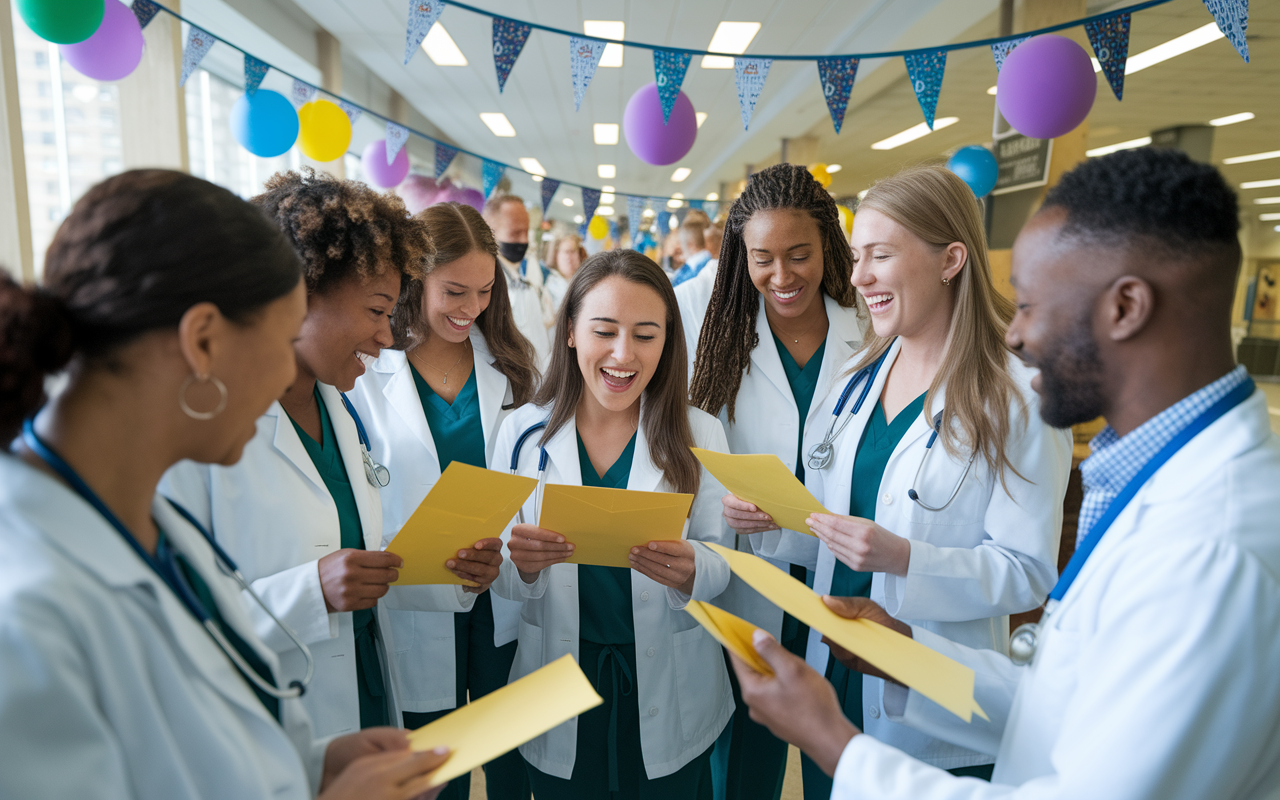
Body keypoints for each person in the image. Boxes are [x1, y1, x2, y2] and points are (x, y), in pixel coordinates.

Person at [732, 147, 1280, 799]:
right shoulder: (1155, 482)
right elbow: (1060, 698)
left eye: (1031, 302)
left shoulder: (1209, 549)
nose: (1016, 333)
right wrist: (904, 656)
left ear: (1126, 307)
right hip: (884, 674)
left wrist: (836, 745)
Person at [0, 169, 449, 798]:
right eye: (279, 336)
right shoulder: (24, 608)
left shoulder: (155, 527)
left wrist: (309, 764)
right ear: (204, 341)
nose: (281, 377)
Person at [723, 165, 1072, 793]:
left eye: (879, 255)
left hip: (935, 691)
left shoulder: (1019, 398)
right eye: (856, 257)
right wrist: (780, 523)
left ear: (951, 260)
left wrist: (908, 558)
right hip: (841, 672)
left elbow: (1029, 572)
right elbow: (840, 533)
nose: (857, 278)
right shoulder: (857, 381)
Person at [162, 171, 502, 740]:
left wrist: (452, 574)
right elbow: (169, 624)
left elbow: (363, 563)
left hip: (368, 690)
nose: (386, 337)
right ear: (299, 295)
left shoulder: (336, 409)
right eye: (375, 312)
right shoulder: (199, 437)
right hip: (277, 721)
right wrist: (309, 593)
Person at [493, 250, 735, 799]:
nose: (624, 355)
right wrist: (521, 567)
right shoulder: (522, 435)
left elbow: (724, 563)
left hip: (671, 680)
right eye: (604, 331)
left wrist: (692, 569)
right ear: (572, 331)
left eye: (646, 335)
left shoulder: (699, 434)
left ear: (668, 342)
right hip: (557, 676)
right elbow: (503, 577)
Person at [681, 162, 865, 800]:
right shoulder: (718, 337)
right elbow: (690, 447)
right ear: (740, 258)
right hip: (747, 574)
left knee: (839, 753)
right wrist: (721, 501)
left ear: (828, 249)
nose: (782, 277)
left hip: (843, 573)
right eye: (763, 258)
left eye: (799, 255)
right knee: (743, 762)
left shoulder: (872, 330)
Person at [350, 202, 540, 800]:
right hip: (414, 597)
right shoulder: (364, 372)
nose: (471, 309)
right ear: (413, 280)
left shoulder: (510, 366)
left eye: (484, 291)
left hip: (499, 593)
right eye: (454, 291)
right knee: (435, 772)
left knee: (510, 763)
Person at [484, 195, 560, 364]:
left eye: (526, 232)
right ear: (490, 231)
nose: (524, 240)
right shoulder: (484, 286)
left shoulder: (523, 283)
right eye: (515, 233)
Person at [672, 221, 714, 287]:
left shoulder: (692, 269)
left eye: (681, 243)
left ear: (691, 245)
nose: (679, 247)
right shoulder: (712, 261)